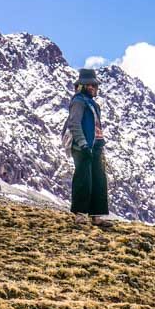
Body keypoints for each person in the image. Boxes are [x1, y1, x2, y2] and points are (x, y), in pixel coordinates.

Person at [65, 68, 110, 226]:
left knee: (98, 179)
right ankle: (80, 214)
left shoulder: (94, 104)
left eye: (94, 85)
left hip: (96, 144)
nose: (93, 87)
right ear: (82, 86)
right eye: (89, 85)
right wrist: (83, 144)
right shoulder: (78, 101)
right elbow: (74, 123)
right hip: (82, 146)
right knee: (84, 179)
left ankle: (96, 216)